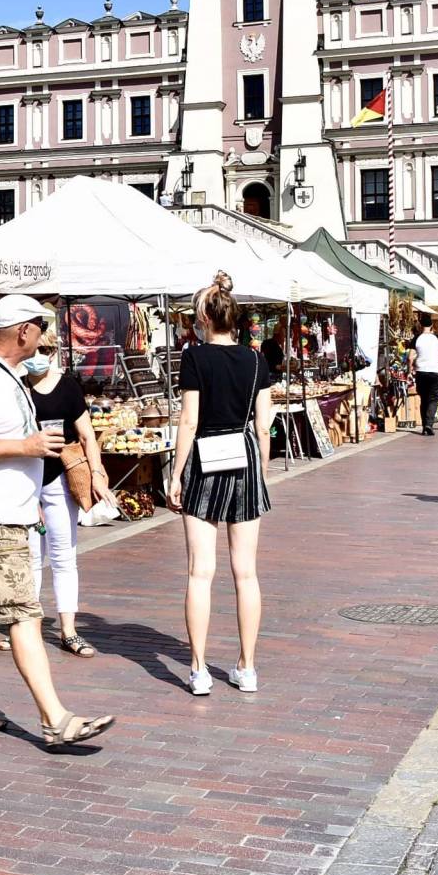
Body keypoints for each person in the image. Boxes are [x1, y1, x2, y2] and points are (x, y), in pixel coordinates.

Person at [0, 295, 113, 750]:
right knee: (24, 615)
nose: (43, 338)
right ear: (23, 332)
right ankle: (55, 718)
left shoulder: (4, 375)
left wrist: (30, 488)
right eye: (40, 328)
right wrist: (27, 447)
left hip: (3, 511)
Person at [167, 273, 274, 697]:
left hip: (206, 457)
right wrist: (261, 472)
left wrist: (175, 473)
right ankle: (247, 667)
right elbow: (264, 425)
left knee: (200, 572)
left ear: (205, 319)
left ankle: (198, 670)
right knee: (246, 573)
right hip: (245, 456)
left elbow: (189, 420)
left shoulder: (194, 358)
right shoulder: (256, 360)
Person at [20, 330, 110, 659]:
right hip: (24, 481)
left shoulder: (68, 386)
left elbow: (87, 435)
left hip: (58, 479)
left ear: (55, 350)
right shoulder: (17, 386)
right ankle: (24, 625)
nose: (39, 354)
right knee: (29, 558)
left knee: (63, 555)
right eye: (35, 348)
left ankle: (68, 630)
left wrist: (97, 473)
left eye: (45, 349)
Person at [412, 315, 438, 436]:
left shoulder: (417, 338)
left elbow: (410, 357)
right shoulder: (437, 338)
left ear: (421, 325)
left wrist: (411, 367)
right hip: (434, 371)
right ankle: (429, 424)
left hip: (421, 371)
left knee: (423, 399)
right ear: (431, 326)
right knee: (433, 398)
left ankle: (425, 425)